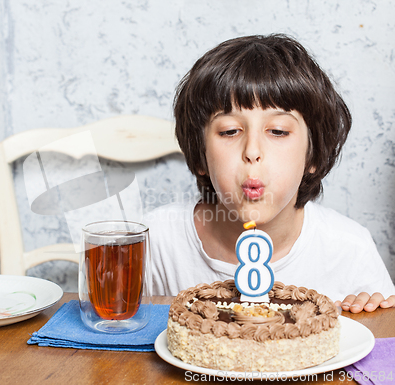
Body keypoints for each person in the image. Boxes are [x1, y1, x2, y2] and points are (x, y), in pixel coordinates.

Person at [145, 34, 395, 313]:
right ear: (200, 153)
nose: (252, 151)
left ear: (312, 154)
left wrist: (370, 313)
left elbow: (383, 346)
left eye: (278, 131)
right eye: (229, 131)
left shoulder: (350, 249)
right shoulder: (153, 240)